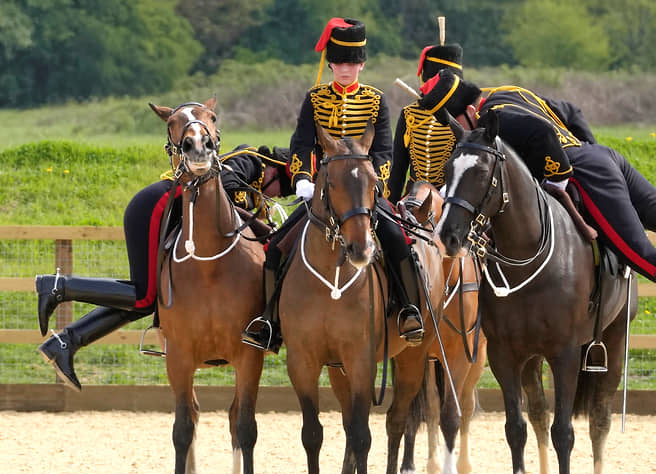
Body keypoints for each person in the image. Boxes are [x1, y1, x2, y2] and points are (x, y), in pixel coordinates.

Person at [418, 69, 656, 370]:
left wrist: (561, 178)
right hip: (603, 157)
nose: (464, 135)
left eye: (458, 126)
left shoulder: (490, 116)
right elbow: (570, 112)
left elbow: (541, 132)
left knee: (642, 256)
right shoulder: (508, 92)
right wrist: (591, 149)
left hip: (587, 174)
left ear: (467, 112)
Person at [35, 144, 292, 391]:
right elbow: (224, 192)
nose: (279, 194)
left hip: (163, 208)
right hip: (155, 206)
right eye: (282, 186)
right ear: (275, 169)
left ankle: (66, 342)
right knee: (144, 297)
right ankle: (58, 286)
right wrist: (265, 228)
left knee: (145, 301)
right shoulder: (249, 161)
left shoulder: (253, 176)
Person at [241, 17, 426, 352]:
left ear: (362, 65)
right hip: (323, 189)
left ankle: (409, 311)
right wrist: (301, 179)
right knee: (275, 248)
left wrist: (377, 184)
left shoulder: (375, 100)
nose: (345, 69)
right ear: (331, 65)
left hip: (364, 190)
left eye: (352, 63)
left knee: (399, 241)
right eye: (339, 62)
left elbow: (384, 150)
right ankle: (269, 321)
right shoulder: (314, 99)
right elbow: (302, 143)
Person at [387, 42, 465, 203]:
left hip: (451, 199)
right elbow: (398, 168)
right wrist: (391, 204)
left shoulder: (464, 115)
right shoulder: (409, 114)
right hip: (412, 199)